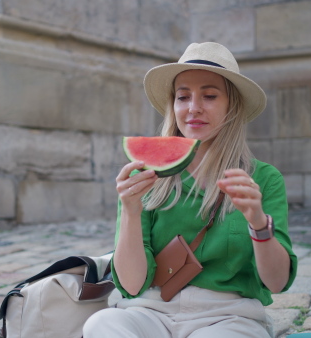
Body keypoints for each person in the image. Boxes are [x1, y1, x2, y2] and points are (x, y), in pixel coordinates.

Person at [83, 42, 297, 338]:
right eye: (183, 97)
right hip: (150, 312)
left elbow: (276, 282)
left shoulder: (264, 178)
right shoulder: (145, 177)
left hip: (228, 318)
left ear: (232, 106)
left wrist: (258, 223)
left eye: (209, 96)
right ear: (173, 106)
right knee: (101, 324)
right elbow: (132, 286)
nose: (193, 107)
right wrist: (131, 211)